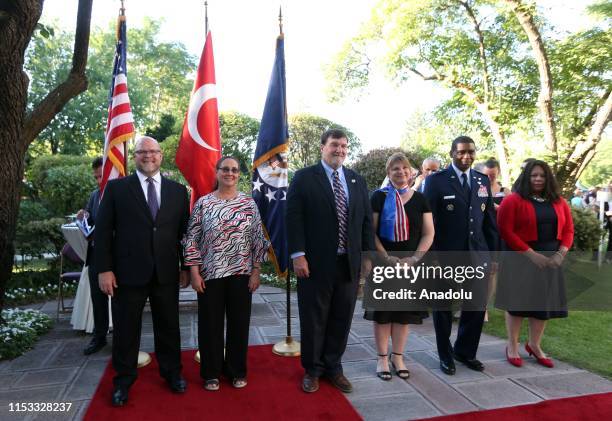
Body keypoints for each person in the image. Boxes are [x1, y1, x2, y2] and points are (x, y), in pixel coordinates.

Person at [95, 136, 190, 406]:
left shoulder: (177, 191)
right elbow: (103, 233)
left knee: (169, 327)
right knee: (126, 331)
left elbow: (185, 234)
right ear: (134, 156)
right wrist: (105, 270)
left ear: (161, 156)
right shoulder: (116, 189)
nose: (148, 156)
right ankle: (123, 382)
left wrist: (186, 266)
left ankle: (172, 374)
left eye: (153, 152)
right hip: (127, 273)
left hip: (166, 273)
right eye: (142, 152)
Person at [286, 128, 375, 394]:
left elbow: (365, 222)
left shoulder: (356, 180)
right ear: (323, 147)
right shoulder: (304, 178)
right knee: (314, 318)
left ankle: (333, 367)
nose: (340, 150)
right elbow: (293, 217)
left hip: (348, 263)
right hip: (313, 263)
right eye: (335, 144)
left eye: (344, 146)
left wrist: (368, 256)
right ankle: (313, 370)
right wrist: (298, 254)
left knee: (341, 317)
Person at [183, 156, 270, 391]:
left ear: (239, 174)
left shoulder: (248, 204)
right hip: (210, 274)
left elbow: (257, 240)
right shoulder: (204, 203)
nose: (230, 173)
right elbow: (191, 238)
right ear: (217, 172)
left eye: (234, 170)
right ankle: (210, 372)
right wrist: (194, 271)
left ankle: (236, 370)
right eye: (225, 169)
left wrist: (256, 271)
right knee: (210, 325)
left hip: (242, 274)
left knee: (239, 325)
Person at [423, 136, 498, 375]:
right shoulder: (436, 181)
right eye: (462, 152)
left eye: (471, 152)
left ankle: (465, 352)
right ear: (452, 153)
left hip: (477, 255)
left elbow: (489, 223)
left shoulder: (482, 180)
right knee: (443, 308)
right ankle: (445, 354)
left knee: (475, 307)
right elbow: (428, 223)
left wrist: (494, 256)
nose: (466, 156)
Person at [495, 160, 574, 368]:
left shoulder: (559, 202)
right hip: (521, 258)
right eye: (534, 175)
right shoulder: (513, 200)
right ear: (526, 177)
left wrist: (561, 254)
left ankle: (534, 345)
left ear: (548, 178)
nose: (538, 179)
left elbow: (568, 230)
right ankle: (512, 345)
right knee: (518, 303)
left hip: (550, 260)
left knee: (542, 304)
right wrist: (531, 255)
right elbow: (506, 231)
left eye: (542, 175)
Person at [365, 153, 434, 381]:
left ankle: (398, 357)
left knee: (403, 314)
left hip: (410, 264)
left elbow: (428, 233)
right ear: (389, 173)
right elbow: (371, 233)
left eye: (404, 168)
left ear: (411, 172)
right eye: (395, 168)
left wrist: (415, 259)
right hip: (384, 263)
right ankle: (382, 358)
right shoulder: (378, 197)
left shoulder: (421, 199)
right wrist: (386, 258)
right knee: (383, 313)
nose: (401, 172)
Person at [76, 157, 109, 355]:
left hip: (121, 256)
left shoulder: (126, 193)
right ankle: (99, 337)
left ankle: (123, 339)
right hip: (96, 255)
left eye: (102, 176)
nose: (98, 181)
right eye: (96, 177)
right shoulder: (95, 196)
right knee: (98, 299)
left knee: (122, 300)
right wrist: (83, 215)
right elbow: (89, 217)